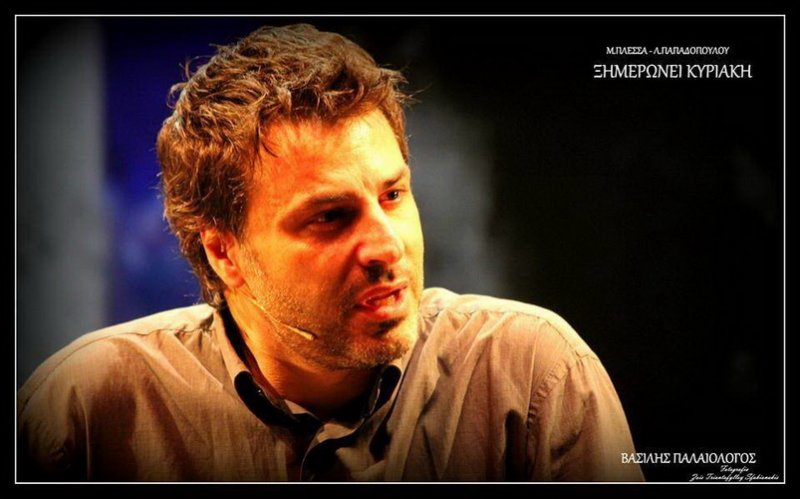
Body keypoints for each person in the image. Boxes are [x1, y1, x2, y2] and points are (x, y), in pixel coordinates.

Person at [18, 23, 644, 482]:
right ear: (224, 253)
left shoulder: (529, 378)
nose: (386, 245)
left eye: (393, 195)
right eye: (330, 217)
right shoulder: (85, 410)